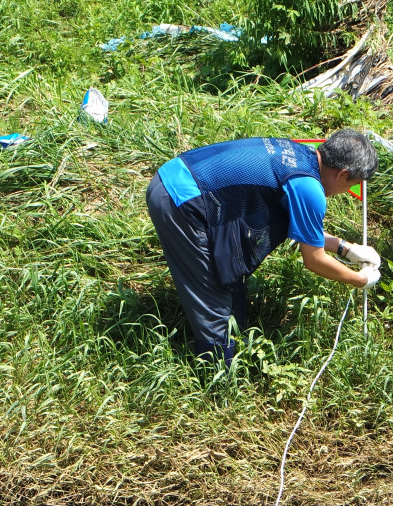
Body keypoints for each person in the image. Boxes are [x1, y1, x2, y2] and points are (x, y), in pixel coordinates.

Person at [146, 129, 380, 364]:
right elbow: (314, 260)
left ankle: (233, 348)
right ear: (343, 173)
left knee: (229, 276)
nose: (348, 192)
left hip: (179, 174)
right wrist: (360, 280)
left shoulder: (300, 153)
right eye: (354, 184)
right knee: (214, 298)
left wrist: (345, 248)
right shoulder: (308, 188)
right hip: (179, 199)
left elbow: (301, 225)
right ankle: (216, 378)